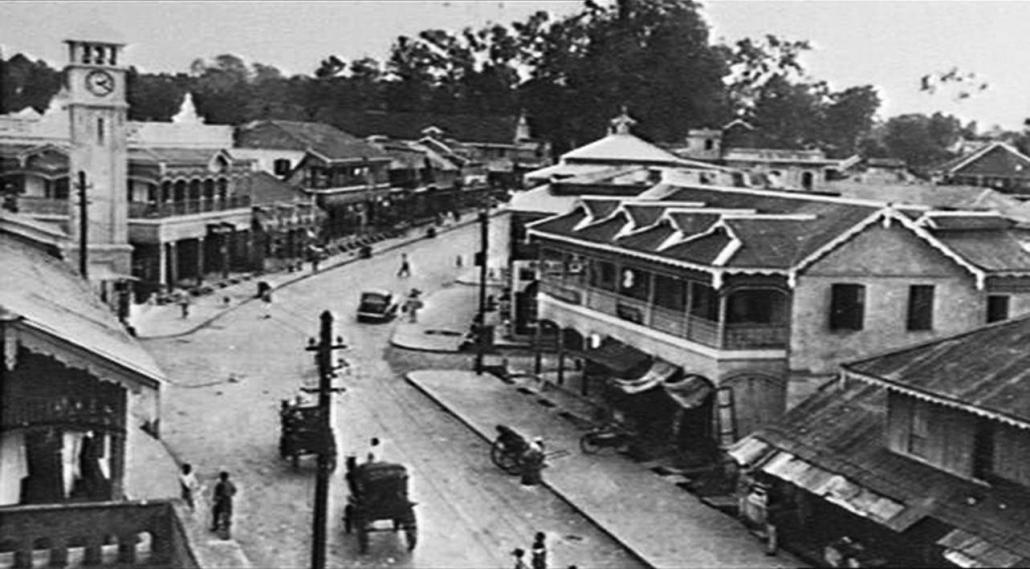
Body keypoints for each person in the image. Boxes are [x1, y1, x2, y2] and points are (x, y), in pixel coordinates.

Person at [211, 471, 237, 536]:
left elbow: (215, 494)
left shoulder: (220, 484)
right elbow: (234, 490)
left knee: (216, 512)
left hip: (223, 501)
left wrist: (216, 498)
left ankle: (216, 526)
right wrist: (230, 494)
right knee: (226, 514)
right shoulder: (229, 483)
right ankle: (221, 527)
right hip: (227, 501)